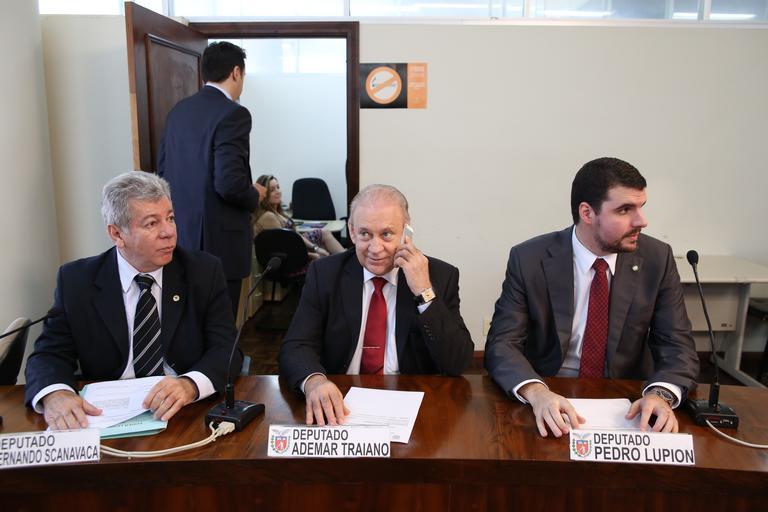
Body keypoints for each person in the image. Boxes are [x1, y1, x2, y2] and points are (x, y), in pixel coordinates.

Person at [484, 157, 699, 437]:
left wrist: (661, 394)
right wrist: (536, 392)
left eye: (641, 207)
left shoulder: (657, 259)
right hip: (550, 393)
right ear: (587, 213)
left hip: (627, 400)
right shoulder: (529, 259)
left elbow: (677, 345)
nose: (642, 221)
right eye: (625, 210)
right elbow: (502, 343)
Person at [24, 172, 241, 430]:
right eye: (151, 223)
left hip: (184, 413)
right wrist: (55, 394)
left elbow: (227, 349)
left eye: (170, 218)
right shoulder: (77, 280)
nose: (169, 232)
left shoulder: (203, 271)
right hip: (104, 415)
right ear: (117, 234)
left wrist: (190, 384)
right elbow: (49, 354)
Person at [278, 184, 474, 426]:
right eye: (365, 234)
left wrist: (424, 291)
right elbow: (296, 345)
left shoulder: (439, 276)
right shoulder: (325, 274)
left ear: (406, 231)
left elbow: (457, 362)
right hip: (341, 402)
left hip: (413, 403)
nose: (375, 248)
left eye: (387, 234)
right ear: (352, 232)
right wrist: (315, 381)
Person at [157, 41, 264, 318]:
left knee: (186, 322)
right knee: (220, 325)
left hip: (181, 238)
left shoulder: (178, 112)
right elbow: (229, 183)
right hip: (220, 245)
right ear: (236, 72)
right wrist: (255, 194)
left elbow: (162, 173)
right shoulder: (234, 113)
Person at [253, 174, 344, 260]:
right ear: (264, 194)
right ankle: (347, 261)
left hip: (296, 245)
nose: (278, 192)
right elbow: (284, 247)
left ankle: (345, 261)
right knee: (326, 246)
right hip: (291, 256)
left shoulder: (279, 212)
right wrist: (312, 254)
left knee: (325, 234)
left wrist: (315, 248)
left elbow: (296, 235)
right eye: (272, 190)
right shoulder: (268, 216)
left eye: (278, 187)